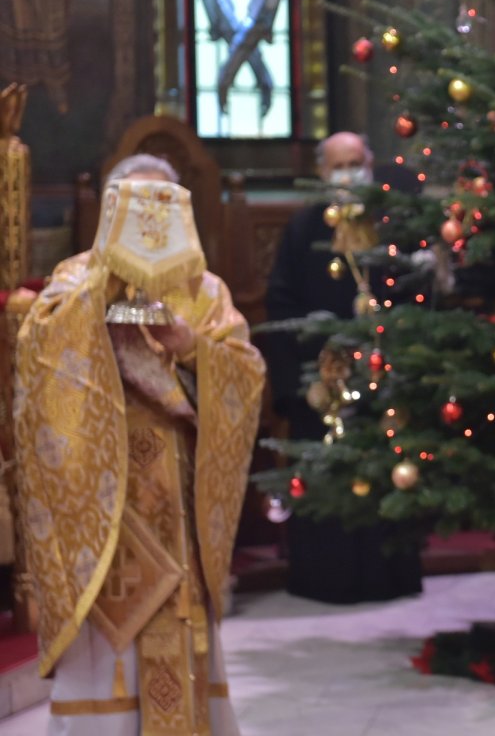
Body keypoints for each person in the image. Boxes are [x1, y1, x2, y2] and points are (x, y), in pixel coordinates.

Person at [15, 154, 265, 734]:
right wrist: (100, 303)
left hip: (178, 498)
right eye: (135, 207)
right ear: (110, 212)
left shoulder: (205, 289)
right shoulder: (75, 280)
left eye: (162, 206)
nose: (148, 223)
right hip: (105, 503)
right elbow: (40, 365)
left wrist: (188, 346)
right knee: (110, 638)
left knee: (180, 625)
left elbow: (244, 375)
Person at [264, 131, 424, 604]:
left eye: (355, 162)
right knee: (326, 477)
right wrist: (310, 366)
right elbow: (281, 301)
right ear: (321, 173)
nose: (348, 173)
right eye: (338, 166)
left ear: (370, 164)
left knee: (385, 472)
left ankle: (390, 577)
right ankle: (326, 578)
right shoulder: (302, 228)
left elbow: (414, 291)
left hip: (383, 372)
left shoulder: (392, 226)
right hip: (323, 377)